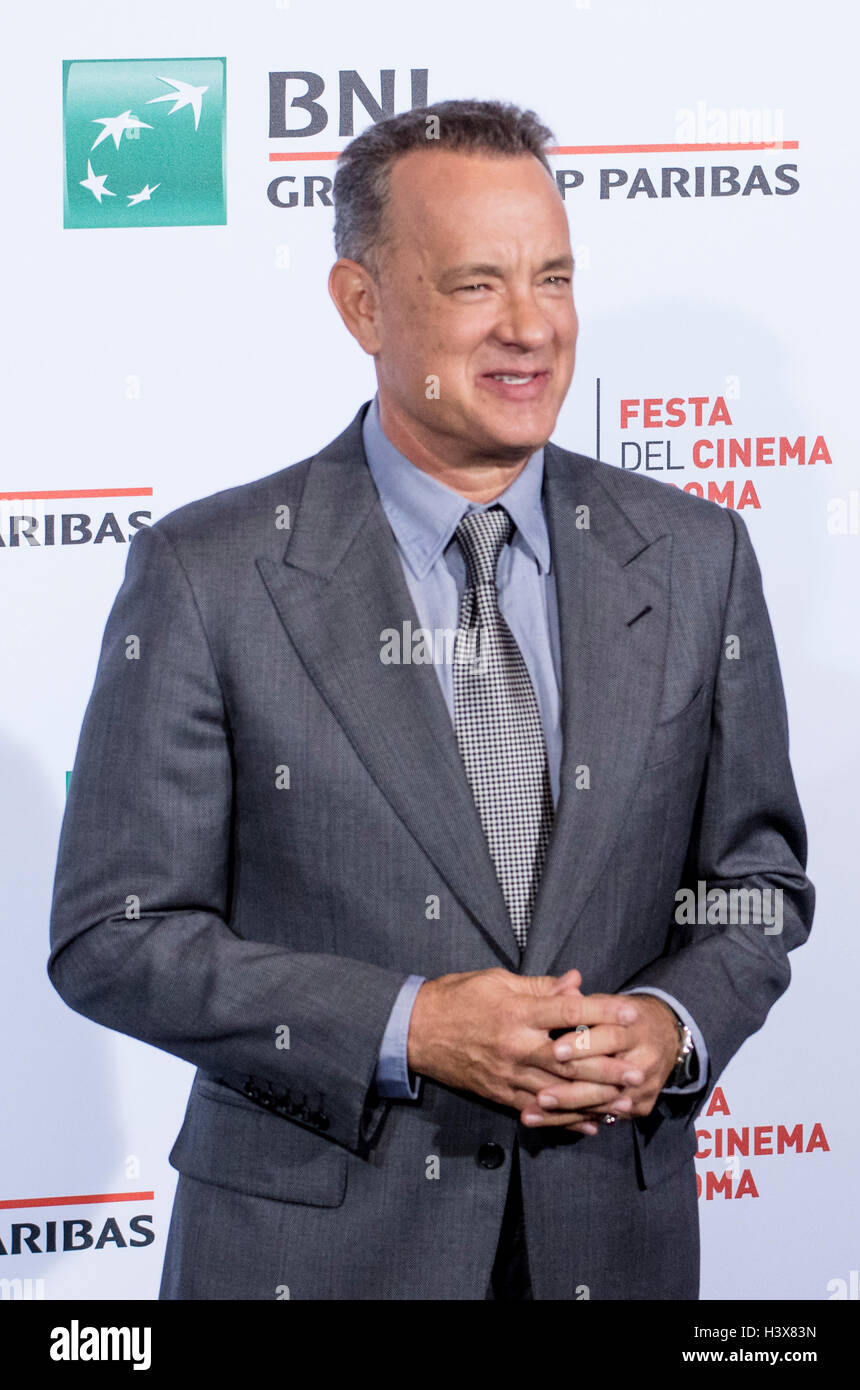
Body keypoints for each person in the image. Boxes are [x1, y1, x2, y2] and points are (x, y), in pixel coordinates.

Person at [48, 99, 814, 1301]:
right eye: (475, 286)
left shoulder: (694, 556)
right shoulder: (213, 573)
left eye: (553, 278)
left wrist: (670, 1023)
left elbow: (755, 883)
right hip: (315, 1258)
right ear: (363, 304)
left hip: (610, 1248)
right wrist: (407, 1024)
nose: (530, 329)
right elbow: (115, 936)